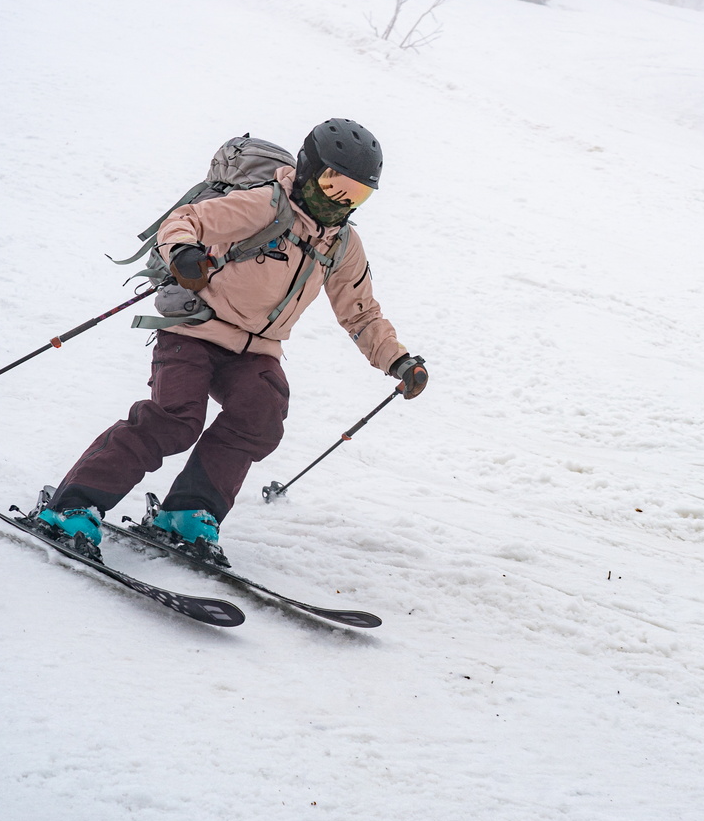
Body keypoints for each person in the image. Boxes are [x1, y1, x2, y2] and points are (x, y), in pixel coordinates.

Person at [36, 119, 428, 565]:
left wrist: (397, 361)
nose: (340, 201)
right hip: (194, 330)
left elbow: (360, 312)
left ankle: (188, 511)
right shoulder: (264, 206)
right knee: (175, 420)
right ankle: (71, 506)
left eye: (356, 194)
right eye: (333, 184)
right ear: (307, 170)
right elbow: (186, 221)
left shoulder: (342, 244)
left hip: (256, 350)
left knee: (261, 415)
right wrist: (183, 253)